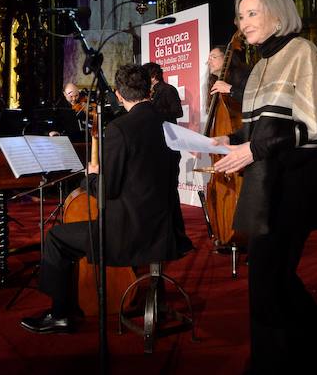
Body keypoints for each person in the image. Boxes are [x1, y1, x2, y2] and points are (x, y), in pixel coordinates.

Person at [212, 0, 317, 375]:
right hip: (263, 184)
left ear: (277, 14)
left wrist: (250, 148)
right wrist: (227, 140)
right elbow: (259, 128)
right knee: (264, 279)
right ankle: (274, 361)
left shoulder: (302, 53)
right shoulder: (258, 66)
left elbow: (311, 127)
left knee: (276, 278)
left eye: (252, 13)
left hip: (292, 185)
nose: (243, 22)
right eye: (240, 15)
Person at [20, 64, 193, 334]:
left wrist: (90, 176)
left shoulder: (120, 129)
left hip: (129, 233)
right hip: (167, 229)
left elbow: (107, 190)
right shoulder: (167, 123)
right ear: (149, 88)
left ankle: (60, 314)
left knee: (56, 238)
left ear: (118, 93)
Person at [206, 44, 249, 110]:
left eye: (213, 57)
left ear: (226, 57)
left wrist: (230, 89)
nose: (209, 62)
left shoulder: (243, 74)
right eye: (208, 59)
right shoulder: (213, 83)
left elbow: (254, 99)